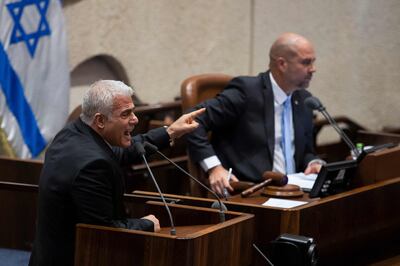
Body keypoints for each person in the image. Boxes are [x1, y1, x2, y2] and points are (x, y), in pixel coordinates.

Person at [29, 80, 205, 266]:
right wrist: (146, 224)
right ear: (100, 120)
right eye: (126, 114)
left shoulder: (73, 134)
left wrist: (170, 131)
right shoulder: (93, 165)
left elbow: (120, 152)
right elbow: (104, 229)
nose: (135, 119)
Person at [186, 33, 324, 196]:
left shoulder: (304, 100)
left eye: (313, 62)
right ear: (282, 64)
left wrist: (313, 162)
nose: (313, 69)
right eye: (306, 62)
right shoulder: (247, 91)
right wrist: (214, 168)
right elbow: (192, 120)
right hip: (250, 191)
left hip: (294, 192)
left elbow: (304, 151)